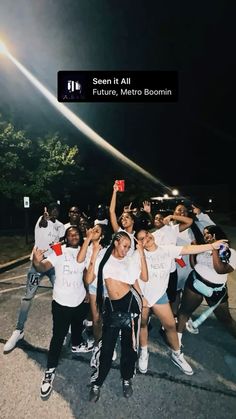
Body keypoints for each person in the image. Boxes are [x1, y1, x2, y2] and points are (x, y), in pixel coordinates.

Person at [135, 228, 228, 376]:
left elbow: (188, 249)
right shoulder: (137, 255)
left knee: (171, 326)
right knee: (143, 324)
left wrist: (211, 246)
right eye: (141, 238)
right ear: (139, 243)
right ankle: (144, 352)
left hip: (159, 297)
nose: (146, 237)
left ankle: (176, 354)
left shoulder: (166, 250)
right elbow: (134, 277)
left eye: (147, 234)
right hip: (142, 297)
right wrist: (141, 297)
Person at [87, 231, 148, 402]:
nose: (126, 250)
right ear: (115, 242)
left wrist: (140, 252)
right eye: (124, 246)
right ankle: (97, 382)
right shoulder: (103, 258)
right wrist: (93, 253)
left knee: (129, 348)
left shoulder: (130, 259)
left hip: (131, 304)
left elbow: (143, 277)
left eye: (129, 247)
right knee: (106, 348)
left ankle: (127, 378)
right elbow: (88, 278)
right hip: (112, 307)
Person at [32, 226, 89, 398]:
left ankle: (77, 344)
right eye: (70, 234)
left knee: (79, 326)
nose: (74, 236)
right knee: (58, 336)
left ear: (80, 236)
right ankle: (49, 372)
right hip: (61, 302)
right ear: (66, 237)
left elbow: (86, 273)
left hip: (79, 300)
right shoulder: (59, 251)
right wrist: (37, 262)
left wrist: (87, 291)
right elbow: (43, 267)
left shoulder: (85, 250)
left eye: (76, 234)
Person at [3, 203, 65, 353]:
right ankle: (19, 330)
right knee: (28, 297)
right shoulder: (42, 220)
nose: (54, 212)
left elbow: (58, 244)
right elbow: (43, 224)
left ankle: (65, 325)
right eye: (52, 210)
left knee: (61, 294)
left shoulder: (61, 226)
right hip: (37, 265)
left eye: (57, 210)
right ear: (48, 211)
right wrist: (45, 218)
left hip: (51, 265)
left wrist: (58, 256)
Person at [177, 225, 236, 342]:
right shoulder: (204, 247)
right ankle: (176, 341)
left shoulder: (230, 252)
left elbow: (220, 269)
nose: (205, 236)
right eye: (204, 234)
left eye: (207, 233)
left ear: (215, 234)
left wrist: (215, 248)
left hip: (216, 290)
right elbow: (194, 265)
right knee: (184, 312)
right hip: (195, 283)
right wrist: (193, 251)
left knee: (225, 319)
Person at [109, 181, 136, 255]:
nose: (123, 219)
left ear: (133, 221)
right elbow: (111, 211)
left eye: (127, 217)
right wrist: (114, 192)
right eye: (122, 217)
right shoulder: (120, 232)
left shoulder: (137, 236)